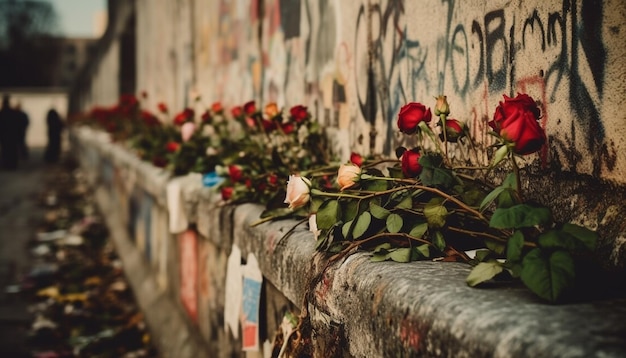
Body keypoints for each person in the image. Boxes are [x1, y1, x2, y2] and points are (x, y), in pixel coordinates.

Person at [0, 94, 21, 169]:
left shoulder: (2, 113)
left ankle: (7, 164)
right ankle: (11, 164)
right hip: (11, 135)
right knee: (11, 150)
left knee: (6, 150)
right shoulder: (12, 112)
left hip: (5, 136)